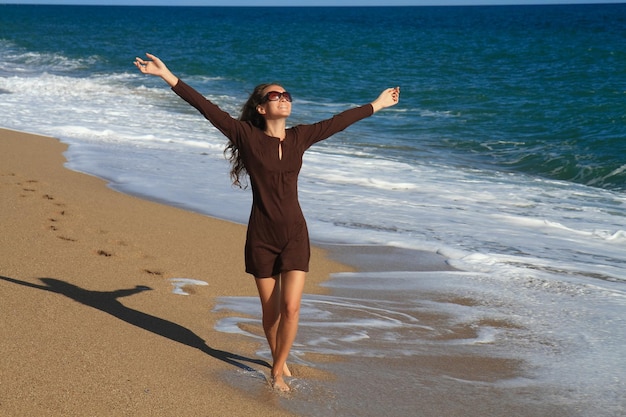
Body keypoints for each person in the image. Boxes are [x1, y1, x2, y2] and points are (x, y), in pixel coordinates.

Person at [134, 53, 400, 392]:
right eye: (276, 96)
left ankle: (276, 369)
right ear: (261, 107)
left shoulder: (300, 136)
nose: (284, 99)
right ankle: (280, 356)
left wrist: (376, 104)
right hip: (261, 236)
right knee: (270, 313)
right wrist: (167, 75)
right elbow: (205, 107)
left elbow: (338, 122)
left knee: (291, 308)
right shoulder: (245, 135)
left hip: (294, 234)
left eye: (287, 95)